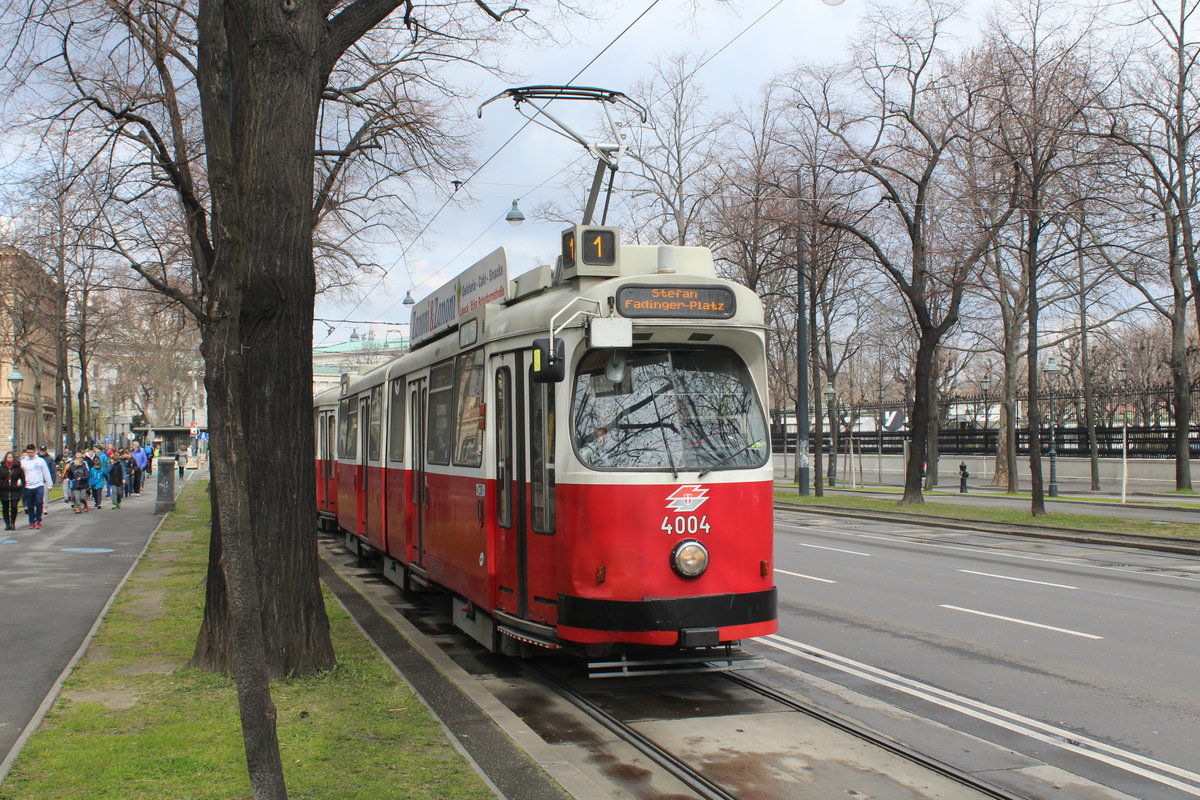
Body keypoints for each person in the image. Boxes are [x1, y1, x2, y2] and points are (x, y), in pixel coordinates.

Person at [19, 444, 53, 529]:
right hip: (28, 486)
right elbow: (21, 473)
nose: (30, 454)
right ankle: (31, 521)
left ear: (35, 451)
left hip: (38, 485)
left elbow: (46, 472)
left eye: (32, 452)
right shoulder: (23, 462)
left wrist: (49, 484)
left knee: (39, 502)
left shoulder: (40, 461)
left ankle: (38, 519)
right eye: (28, 452)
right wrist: (19, 481)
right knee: (30, 505)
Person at [0, 451, 23, 531]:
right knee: (5, 507)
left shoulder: (18, 468)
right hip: (4, 491)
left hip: (15, 490)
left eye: (11, 457)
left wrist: (20, 485)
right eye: (8, 457)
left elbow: (22, 478)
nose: (9, 459)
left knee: (14, 506)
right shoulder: (2, 468)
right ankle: (7, 524)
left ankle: (13, 522)